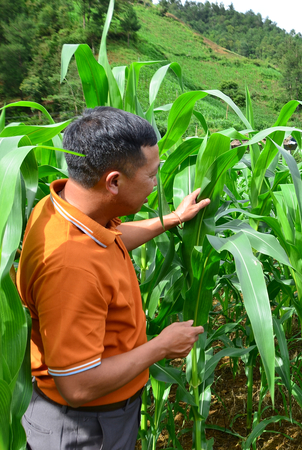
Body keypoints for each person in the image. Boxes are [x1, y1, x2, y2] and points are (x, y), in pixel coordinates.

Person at [17, 107, 210, 450]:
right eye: (151, 175)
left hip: (96, 417)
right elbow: (77, 386)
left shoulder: (63, 207)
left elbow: (111, 241)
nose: (156, 184)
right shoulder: (70, 267)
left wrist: (171, 219)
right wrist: (162, 346)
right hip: (83, 428)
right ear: (114, 181)